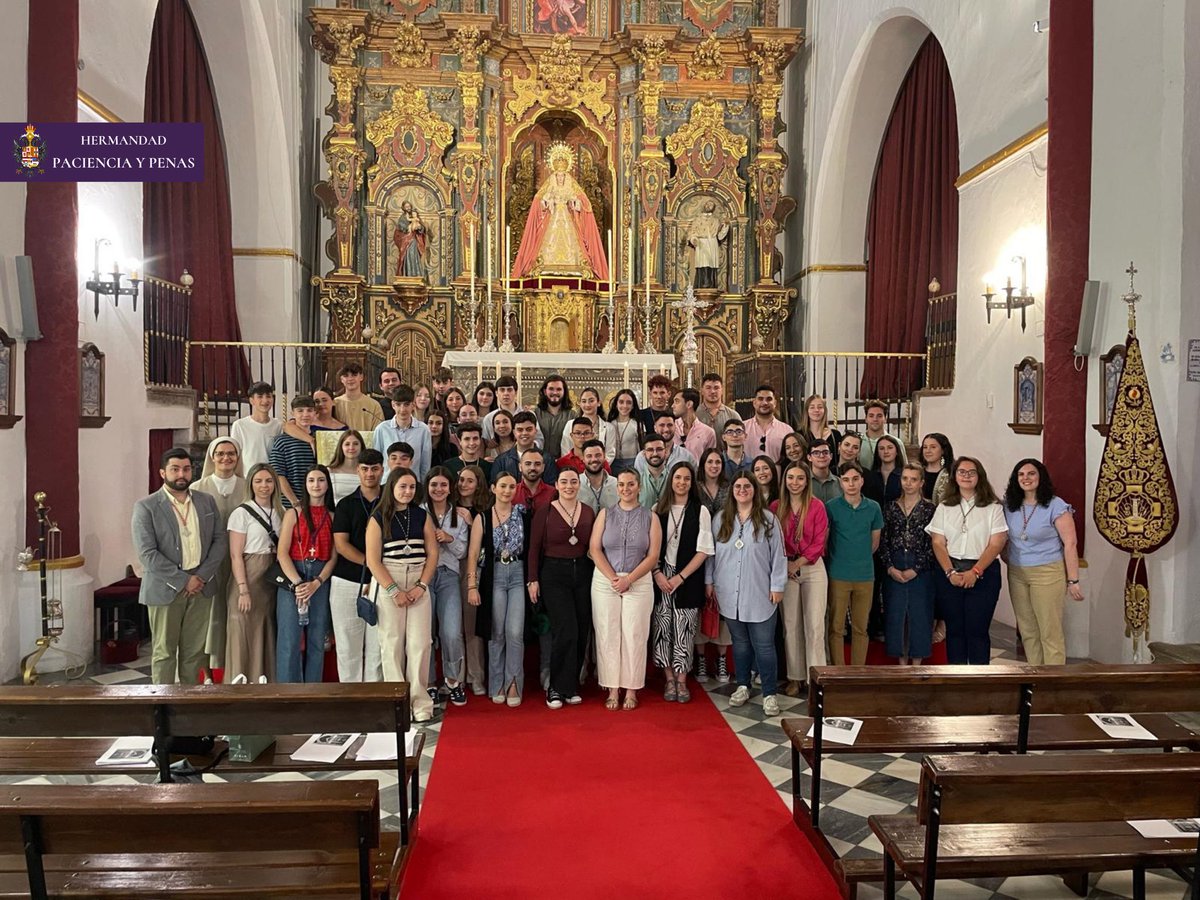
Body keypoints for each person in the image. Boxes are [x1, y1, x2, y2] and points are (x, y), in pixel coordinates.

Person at [132, 448, 228, 685]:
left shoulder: (206, 501)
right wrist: (183, 580)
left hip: (201, 587)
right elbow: (147, 553)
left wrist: (201, 576)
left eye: (186, 469)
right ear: (163, 472)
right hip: (166, 589)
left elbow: (219, 541)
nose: (181, 474)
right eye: (175, 469)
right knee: (164, 652)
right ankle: (162, 707)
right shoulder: (147, 507)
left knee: (194, 653)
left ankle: (189, 706)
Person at [707, 472, 787, 716]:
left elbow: (779, 555)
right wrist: (709, 582)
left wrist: (777, 586)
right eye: (738, 486)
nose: (742, 490)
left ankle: (770, 694)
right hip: (729, 592)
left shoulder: (768, 519)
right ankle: (742, 685)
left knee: (764, 646)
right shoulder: (720, 519)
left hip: (761, 592)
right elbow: (711, 555)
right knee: (740, 644)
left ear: (755, 490)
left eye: (747, 486)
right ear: (732, 491)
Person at [365, 468, 439, 722]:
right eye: (402, 487)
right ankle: (397, 702)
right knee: (391, 643)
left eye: (411, 487)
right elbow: (373, 560)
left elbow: (433, 553)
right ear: (392, 487)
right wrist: (393, 590)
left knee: (420, 643)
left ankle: (420, 701)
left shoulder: (422, 515)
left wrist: (421, 585)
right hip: (390, 578)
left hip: (418, 577)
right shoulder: (378, 517)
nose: (407, 492)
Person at [589, 470, 662, 711]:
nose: (626, 489)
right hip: (605, 580)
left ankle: (631, 689)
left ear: (639, 487)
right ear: (616, 487)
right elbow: (594, 549)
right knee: (608, 633)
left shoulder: (651, 518)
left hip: (638, 580)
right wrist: (613, 578)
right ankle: (611, 688)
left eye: (631, 484)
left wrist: (629, 579)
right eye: (621, 485)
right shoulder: (605, 514)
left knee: (634, 634)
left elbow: (653, 556)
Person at [927, 456, 1008, 665]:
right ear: (955, 477)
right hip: (950, 572)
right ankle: (957, 681)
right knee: (954, 631)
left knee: (977, 630)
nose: (966, 476)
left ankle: (979, 682)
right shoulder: (945, 507)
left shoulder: (993, 507)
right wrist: (950, 572)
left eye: (971, 472)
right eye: (961, 472)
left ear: (979, 476)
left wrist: (976, 572)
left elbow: (996, 543)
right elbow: (938, 542)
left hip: (983, 574)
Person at [1002, 459, 1084, 665]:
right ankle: (1035, 676)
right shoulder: (1010, 505)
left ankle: (1053, 682)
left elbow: (1070, 543)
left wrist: (1073, 580)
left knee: (1050, 631)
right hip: (1017, 572)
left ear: (1040, 477)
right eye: (1021, 474)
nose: (1026, 478)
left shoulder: (1055, 505)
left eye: (1031, 474)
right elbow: (1003, 538)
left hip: (1047, 572)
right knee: (1028, 630)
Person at [528, 468, 596, 708]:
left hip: (583, 573)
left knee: (581, 629)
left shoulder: (588, 512)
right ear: (556, 484)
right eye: (564, 481)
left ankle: (571, 687)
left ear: (580, 485)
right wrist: (532, 579)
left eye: (574, 482)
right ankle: (555, 688)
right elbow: (534, 548)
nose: (569, 486)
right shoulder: (545, 511)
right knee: (564, 629)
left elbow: (594, 546)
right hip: (553, 574)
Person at [652, 461, 714, 703]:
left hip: (688, 576)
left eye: (686, 479)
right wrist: (658, 574)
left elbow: (704, 550)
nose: (681, 482)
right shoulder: (658, 509)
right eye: (678, 478)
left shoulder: (701, 511)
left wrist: (680, 577)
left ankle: (681, 680)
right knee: (662, 628)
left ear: (692, 483)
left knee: (684, 630)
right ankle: (668, 679)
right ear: (671, 480)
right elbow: (650, 548)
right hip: (660, 575)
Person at [465, 472, 528, 707]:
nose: (507, 491)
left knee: (514, 631)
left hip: (518, 573)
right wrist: (472, 585)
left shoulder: (522, 514)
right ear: (493, 488)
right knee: (497, 631)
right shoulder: (482, 517)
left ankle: (513, 681)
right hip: (494, 576)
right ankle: (496, 683)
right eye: (502, 486)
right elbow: (472, 554)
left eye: (512, 486)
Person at [275, 465, 338, 683]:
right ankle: (288, 689)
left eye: (320, 480)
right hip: (294, 575)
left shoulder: (332, 515)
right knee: (289, 638)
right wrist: (298, 584)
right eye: (311, 480)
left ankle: (313, 688)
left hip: (320, 578)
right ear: (305, 484)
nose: (316, 485)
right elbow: (282, 553)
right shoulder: (294, 513)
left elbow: (333, 557)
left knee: (317, 637)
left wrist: (317, 582)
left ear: (327, 484)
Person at [511, 141, 609, 279]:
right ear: (554, 175)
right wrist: (547, 202)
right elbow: (539, 202)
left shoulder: (571, 188)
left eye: (563, 175)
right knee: (548, 243)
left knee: (572, 243)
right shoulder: (550, 187)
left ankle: (574, 266)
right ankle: (545, 265)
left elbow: (583, 204)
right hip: (553, 220)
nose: (561, 178)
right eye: (558, 175)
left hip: (568, 220)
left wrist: (575, 203)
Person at [771, 462, 828, 696]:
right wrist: (786, 564)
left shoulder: (817, 507)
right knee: (791, 625)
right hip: (785, 568)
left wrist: (798, 562)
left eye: (800, 478)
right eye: (791, 478)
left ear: (807, 482)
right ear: (785, 480)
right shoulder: (776, 507)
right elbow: (772, 541)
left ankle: (816, 679)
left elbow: (819, 542)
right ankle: (795, 677)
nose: (795, 483)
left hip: (812, 567)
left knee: (815, 626)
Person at [329, 448, 385, 683]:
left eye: (374, 469)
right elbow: (341, 545)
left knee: (378, 646)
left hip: (382, 581)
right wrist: (371, 563)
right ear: (357, 471)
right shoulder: (345, 504)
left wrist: (378, 571)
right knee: (347, 644)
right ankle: (350, 699)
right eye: (364, 469)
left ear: (382, 470)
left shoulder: (390, 502)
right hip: (347, 579)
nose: (370, 474)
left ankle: (374, 699)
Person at [192, 437, 245, 675]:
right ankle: (207, 670)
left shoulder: (248, 486)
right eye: (221, 453)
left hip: (240, 562)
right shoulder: (197, 488)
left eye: (231, 453)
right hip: (208, 563)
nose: (226, 458)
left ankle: (235, 666)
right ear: (212, 457)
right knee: (208, 616)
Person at [225, 462, 281, 682]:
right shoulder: (242, 512)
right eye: (258, 481)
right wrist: (243, 589)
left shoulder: (279, 512)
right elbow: (235, 555)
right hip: (248, 575)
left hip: (270, 579)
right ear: (251, 484)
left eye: (268, 481)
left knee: (264, 629)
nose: (264, 486)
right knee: (243, 630)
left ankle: (264, 679)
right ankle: (240, 682)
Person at [824, 462, 883, 666]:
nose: (851, 484)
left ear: (862, 481)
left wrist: (859, 558)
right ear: (840, 482)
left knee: (860, 627)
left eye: (855, 479)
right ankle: (838, 671)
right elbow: (826, 539)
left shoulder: (873, 507)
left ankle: (857, 670)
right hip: (838, 573)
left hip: (865, 575)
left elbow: (874, 542)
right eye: (846, 480)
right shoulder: (831, 507)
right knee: (836, 627)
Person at [880, 463, 936, 665]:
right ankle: (901, 664)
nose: (908, 483)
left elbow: (934, 543)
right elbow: (883, 541)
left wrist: (916, 569)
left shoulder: (930, 509)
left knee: (920, 615)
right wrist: (889, 567)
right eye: (905, 478)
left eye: (913, 479)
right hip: (894, 566)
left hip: (921, 570)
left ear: (921, 482)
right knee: (896, 616)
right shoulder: (890, 508)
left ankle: (917, 664)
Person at [424, 467, 470, 707]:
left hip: (449, 575)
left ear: (450, 488)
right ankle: (430, 683)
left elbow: (463, 552)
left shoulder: (459, 516)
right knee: (426, 632)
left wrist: (449, 539)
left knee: (451, 632)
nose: (438, 489)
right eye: (434, 485)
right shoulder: (419, 512)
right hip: (423, 576)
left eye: (443, 485)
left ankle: (453, 681)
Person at [694, 448, 732, 682]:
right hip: (698, 551)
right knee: (701, 605)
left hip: (726, 549)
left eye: (718, 462)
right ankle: (699, 659)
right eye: (710, 461)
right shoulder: (695, 488)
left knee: (724, 606)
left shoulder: (730, 488)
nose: (714, 465)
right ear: (703, 464)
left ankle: (720, 660)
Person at [454, 464, 490, 695]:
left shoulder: (485, 511)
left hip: (475, 568)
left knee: (472, 626)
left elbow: (491, 543)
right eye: (461, 480)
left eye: (470, 481)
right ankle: (456, 677)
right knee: (452, 626)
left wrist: (472, 520)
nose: (464, 485)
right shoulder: (448, 507)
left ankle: (476, 676)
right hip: (450, 568)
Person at [267, 394, 318, 508]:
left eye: (309, 410)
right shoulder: (282, 441)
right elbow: (278, 474)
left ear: (315, 413)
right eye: (300, 411)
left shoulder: (319, 440)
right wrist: (294, 501)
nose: (305, 414)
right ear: (293, 414)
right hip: (289, 504)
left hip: (316, 503)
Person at [373, 385, 432, 479]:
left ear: (413, 405)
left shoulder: (423, 430)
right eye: (398, 404)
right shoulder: (382, 429)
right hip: (387, 483)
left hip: (413, 484)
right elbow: (376, 462)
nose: (402, 409)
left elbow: (425, 465)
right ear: (393, 405)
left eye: (406, 404)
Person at [494, 410, 557, 484]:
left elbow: (551, 489)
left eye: (529, 429)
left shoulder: (547, 459)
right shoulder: (501, 461)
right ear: (514, 432)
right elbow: (495, 488)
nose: (524, 433)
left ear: (535, 431)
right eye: (520, 430)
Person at [231, 382, 282, 472]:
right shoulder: (240, 425)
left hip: (272, 477)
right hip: (249, 477)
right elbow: (236, 455)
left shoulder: (278, 425)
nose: (265, 400)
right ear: (252, 400)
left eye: (268, 396)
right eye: (260, 396)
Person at [482, 375, 543, 445]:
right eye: (502, 390)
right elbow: (485, 442)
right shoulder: (489, 418)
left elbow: (539, 439)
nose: (506, 393)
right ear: (496, 393)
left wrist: (529, 445)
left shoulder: (528, 414)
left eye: (509, 390)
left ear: (516, 392)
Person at [684, 199, 730, 288]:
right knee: (702, 263)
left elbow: (720, 236)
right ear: (704, 205)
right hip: (702, 243)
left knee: (711, 264)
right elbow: (692, 232)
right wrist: (694, 239)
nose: (709, 206)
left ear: (713, 208)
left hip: (712, 243)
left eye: (711, 205)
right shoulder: (697, 220)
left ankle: (711, 284)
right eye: (708, 204)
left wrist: (725, 226)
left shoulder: (716, 220)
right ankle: (702, 284)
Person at [742, 384, 794, 462]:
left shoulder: (786, 430)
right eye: (760, 399)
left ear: (775, 403)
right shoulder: (743, 428)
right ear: (754, 403)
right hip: (749, 473)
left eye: (769, 399)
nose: (765, 403)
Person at [333, 362, 385, 434]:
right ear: (341, 379)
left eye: (354, 375)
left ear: (361, 377)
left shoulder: (374, 405)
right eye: (346, 376)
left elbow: (378, 432)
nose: (350, 379)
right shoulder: (335, 403)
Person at [533, 375, 575, 458]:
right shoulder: (535, 414)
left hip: (564, 461)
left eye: (559, 389)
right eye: (551, 389)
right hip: (540, 461)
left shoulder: (572, 415)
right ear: (545, 391)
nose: (555, 392)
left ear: (564, 392)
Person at [560, 387, 610, 456]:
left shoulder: (609, 427)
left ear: (599, 403)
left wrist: (596, 464)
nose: (587, 405)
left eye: (591, 401)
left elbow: (610, 454)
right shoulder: (570, 424)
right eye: (583, 401)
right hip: (573, 465)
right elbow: (565, 449)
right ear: (579, 404)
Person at [605, 388, 643, 474]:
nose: (625, 406)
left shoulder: (637, 425)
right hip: (613, 464)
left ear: (633, 406)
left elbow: (640, 449)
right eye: (621, 402)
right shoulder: (609, 424)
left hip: (632, 464)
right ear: (616, 404)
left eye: (629, 403)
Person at [697, 372, 740, 449]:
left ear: (722, 390)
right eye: (708, 388)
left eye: (716, 388)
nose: (713, 391)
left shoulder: (733, 415)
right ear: (702, 391)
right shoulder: (695, 414)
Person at [858, 400, 907, 467]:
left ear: (885, 419)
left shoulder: (897, 443)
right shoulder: (858, 442)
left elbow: (904, 469)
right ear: (866, 419)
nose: (875, 419)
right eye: (871, 416)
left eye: (879, 416)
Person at [673, 387, 717, 460]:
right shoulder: (671, 428)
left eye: (677, 401)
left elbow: (710, 461)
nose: (673, 406)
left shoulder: (708, 432)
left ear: (689, 404)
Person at [327, 430, 366, 504]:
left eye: (355, 444)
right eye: (347, 444)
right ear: (341, 447)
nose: (351, 447)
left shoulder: (367, 473)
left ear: (361, 446)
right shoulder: (329, 472)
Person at [393, 199, 429, 279]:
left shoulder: (414, 216)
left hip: (413, 239)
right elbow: (400, 227)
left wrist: (419, 228)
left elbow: (422, 227)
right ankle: (406, 274)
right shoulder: (402, 218)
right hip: (405, 239)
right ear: (403, 208)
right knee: (405, 255)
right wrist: (408, 228)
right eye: (406, 206)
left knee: (414, 253)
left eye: (409, 206)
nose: (408, 208)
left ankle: (415, 274)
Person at [514, 447, 558, 513]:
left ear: (543, 467)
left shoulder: (553, 493)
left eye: (537, 464)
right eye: (528, 464)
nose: (532, 468)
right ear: (520, 467)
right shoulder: (512, 492)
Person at [579, 440, 618, 512]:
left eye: (598, 455)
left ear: (604, 457)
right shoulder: (575, 484)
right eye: (589, 456)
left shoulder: (617, 484)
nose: (594, 459)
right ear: (583, 459)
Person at [635, 433, 669, 509]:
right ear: (644, 453)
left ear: (666, 452)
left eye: (659, 449)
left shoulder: (673, 478)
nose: (655, 453)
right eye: (650, 450)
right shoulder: (636, 480)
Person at [868, 434, 905, 505]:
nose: (886, 451)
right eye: (881, 448)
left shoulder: (904, 475)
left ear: (897, 451)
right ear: (877, 452)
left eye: (890, 448)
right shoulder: (871, 476)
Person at [920, 432, 954, 505]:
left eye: (933, 447)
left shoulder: (950, 474)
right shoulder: (917, 472)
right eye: (925, 447)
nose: (928, 451)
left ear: (943, 450)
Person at [807, 439, 841, 503]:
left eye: (825, 452)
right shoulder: (803, 482)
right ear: (809, 457)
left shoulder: (840, 483)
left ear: (831, 456)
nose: (822, 456)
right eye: (816, 453)